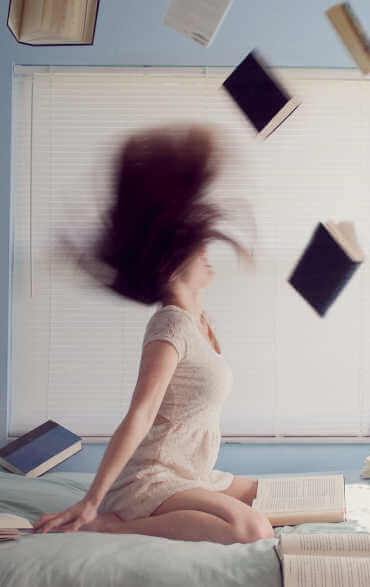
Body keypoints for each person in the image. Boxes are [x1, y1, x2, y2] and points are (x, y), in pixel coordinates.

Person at [31, 125, 273, 545]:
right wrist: (91, 501)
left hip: (190, 473)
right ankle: (112, 524)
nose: (207, 253)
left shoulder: (199, 319)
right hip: (153, 477)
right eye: (199, 248)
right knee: (252, 528)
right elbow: (140, 414)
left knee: (275, 496)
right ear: (174, 262)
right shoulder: (171, 326)